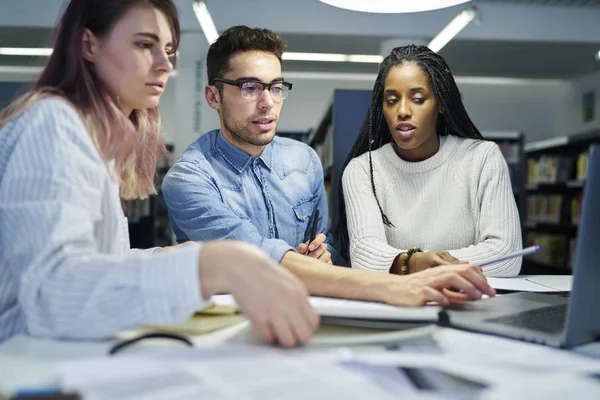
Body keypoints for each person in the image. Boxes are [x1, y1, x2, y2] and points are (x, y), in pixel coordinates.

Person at [0, 0, 319, 348]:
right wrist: (213, 264)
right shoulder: (53, 124)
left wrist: (165, 257)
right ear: (89, 45)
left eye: (168, 49)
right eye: (143, 44)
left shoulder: (96, 144)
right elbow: (53, 293)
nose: (165, 63)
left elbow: (99, 265)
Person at [162, 26, 497, 307]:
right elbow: (257, 256)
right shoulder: (189, 179)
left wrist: (324, 258)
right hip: (233, 324)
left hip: (312, 311)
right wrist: (395, 285)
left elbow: (331, 244)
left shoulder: (304, 160)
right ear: (213, 97)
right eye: (249, 88)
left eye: (276, 87)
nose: (267, 102)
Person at [338, 45, 522, 278]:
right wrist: (418, 262)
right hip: (398, 308)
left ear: (441, 103)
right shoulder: (363, 170)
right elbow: (365, 257)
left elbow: (506, 256)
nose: (403, 111)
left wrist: (414, 264)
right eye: (392, 100)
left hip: (469, 306)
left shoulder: (483, 158)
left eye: (417, 98)